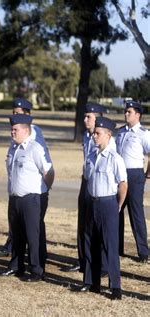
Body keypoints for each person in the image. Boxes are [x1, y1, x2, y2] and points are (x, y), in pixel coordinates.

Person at [0, 98, 52, 273]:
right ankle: (16, 265)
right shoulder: (13, 146)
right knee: (17, 232)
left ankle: (37, 267)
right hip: (16, 195)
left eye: (18, 114)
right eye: (13, 113)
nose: (14, 118)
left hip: (33, 195)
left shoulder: (34, 139)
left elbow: (48, 170)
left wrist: (43, 190)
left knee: (34, 234)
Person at [81, 117, 127, 300]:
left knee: (110, 245)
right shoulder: (91, 156)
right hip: (92, 202)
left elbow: (123, 185)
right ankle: (91, 282)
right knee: (90, 242)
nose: (94, 136)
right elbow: (87, 178)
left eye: (98, 133)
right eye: (94, 133)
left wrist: (118, 205)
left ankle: (115, 286)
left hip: (108, 203)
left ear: (108, 135)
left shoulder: (115, 159)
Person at [65, 102, 109, 272]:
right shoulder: (86, 136)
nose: (85, 119)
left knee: (99, 224)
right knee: (83, 222)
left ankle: (103, 265)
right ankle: (83, 260)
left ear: (98, 117)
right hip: (86, 181)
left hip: (101, 183)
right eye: (85, 116)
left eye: (89, 117)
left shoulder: (106, 137)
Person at [115, 100, 150, 263]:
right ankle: (116, 248)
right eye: (125, 111)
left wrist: (147, 174)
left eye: (129, 111)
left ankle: (143, 252)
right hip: (119, 175)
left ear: (138, 114)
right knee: (117, 211)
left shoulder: (144, 133)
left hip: (135, 174)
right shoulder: (120, 132)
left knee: (136, 213)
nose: (126, 114)